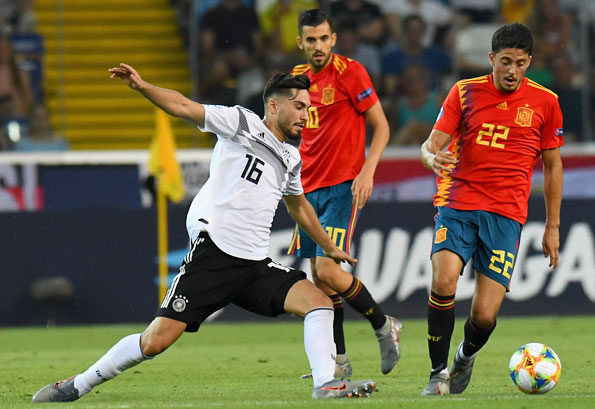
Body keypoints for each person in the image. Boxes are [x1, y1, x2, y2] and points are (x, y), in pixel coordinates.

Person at [30, 64, 379, 402]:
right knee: (154, 341)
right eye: (299, 106)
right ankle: (77, 385)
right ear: (274, 105)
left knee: (319, 303)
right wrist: (143, 87)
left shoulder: (291, 157)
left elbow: (298, 207)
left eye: (309, 108)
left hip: (254, 265)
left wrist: (330, 247)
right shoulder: (241, 123)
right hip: (214, 254)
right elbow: (184, 107)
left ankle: (326, 384)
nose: (306, 116)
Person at [418, 22, 563, 395]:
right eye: (504, 62)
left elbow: (552, 166)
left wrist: (552, 227)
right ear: (491, 59)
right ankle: (437, 374)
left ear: (529, 62)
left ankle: (464, 356)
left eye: (519, 63)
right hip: (458, 202)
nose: (511, 71)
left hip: (506, 215)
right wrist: (430, 158)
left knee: (484, 314)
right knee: (443, 280)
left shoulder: (546, 102)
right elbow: (431, 144)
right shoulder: (464, 92)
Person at [288, 9, 399, 379]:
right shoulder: (296, 82)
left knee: (326, 270)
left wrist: (368, 171)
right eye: (311, 40)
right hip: (306, 190)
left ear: (333, 39)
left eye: (324, 38)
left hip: (340, 186)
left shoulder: (350, 72)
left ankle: (385, 326)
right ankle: (338, 360)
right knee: (319, 280)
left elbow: (381, 126)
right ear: (299, 42)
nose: (318, 46)